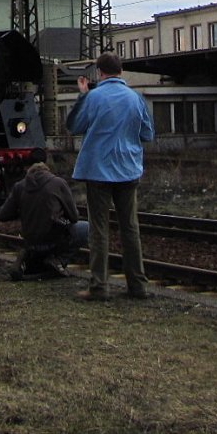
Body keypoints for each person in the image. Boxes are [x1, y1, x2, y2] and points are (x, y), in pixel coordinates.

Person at [66, 52, 155, 300]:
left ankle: (99, 286)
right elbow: (147, 134)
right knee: (130, 227)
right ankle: (137, 285)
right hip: (128, 169)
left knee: (99, 229)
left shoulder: (94, 97)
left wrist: (83, 96)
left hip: (99, 171)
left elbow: (74, 126)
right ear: (121, 71)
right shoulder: (135, 99)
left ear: (99, 73)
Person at [0, 148, 88, 280]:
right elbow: (74, 216)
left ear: (28, 166)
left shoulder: (19, 186)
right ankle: (59, 260)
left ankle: (30, 258)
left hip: (30, 241)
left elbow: (2, 215)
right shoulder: (58, 183)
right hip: (53, 240)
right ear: (46, 163)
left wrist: (23, 211)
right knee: (86, 228)